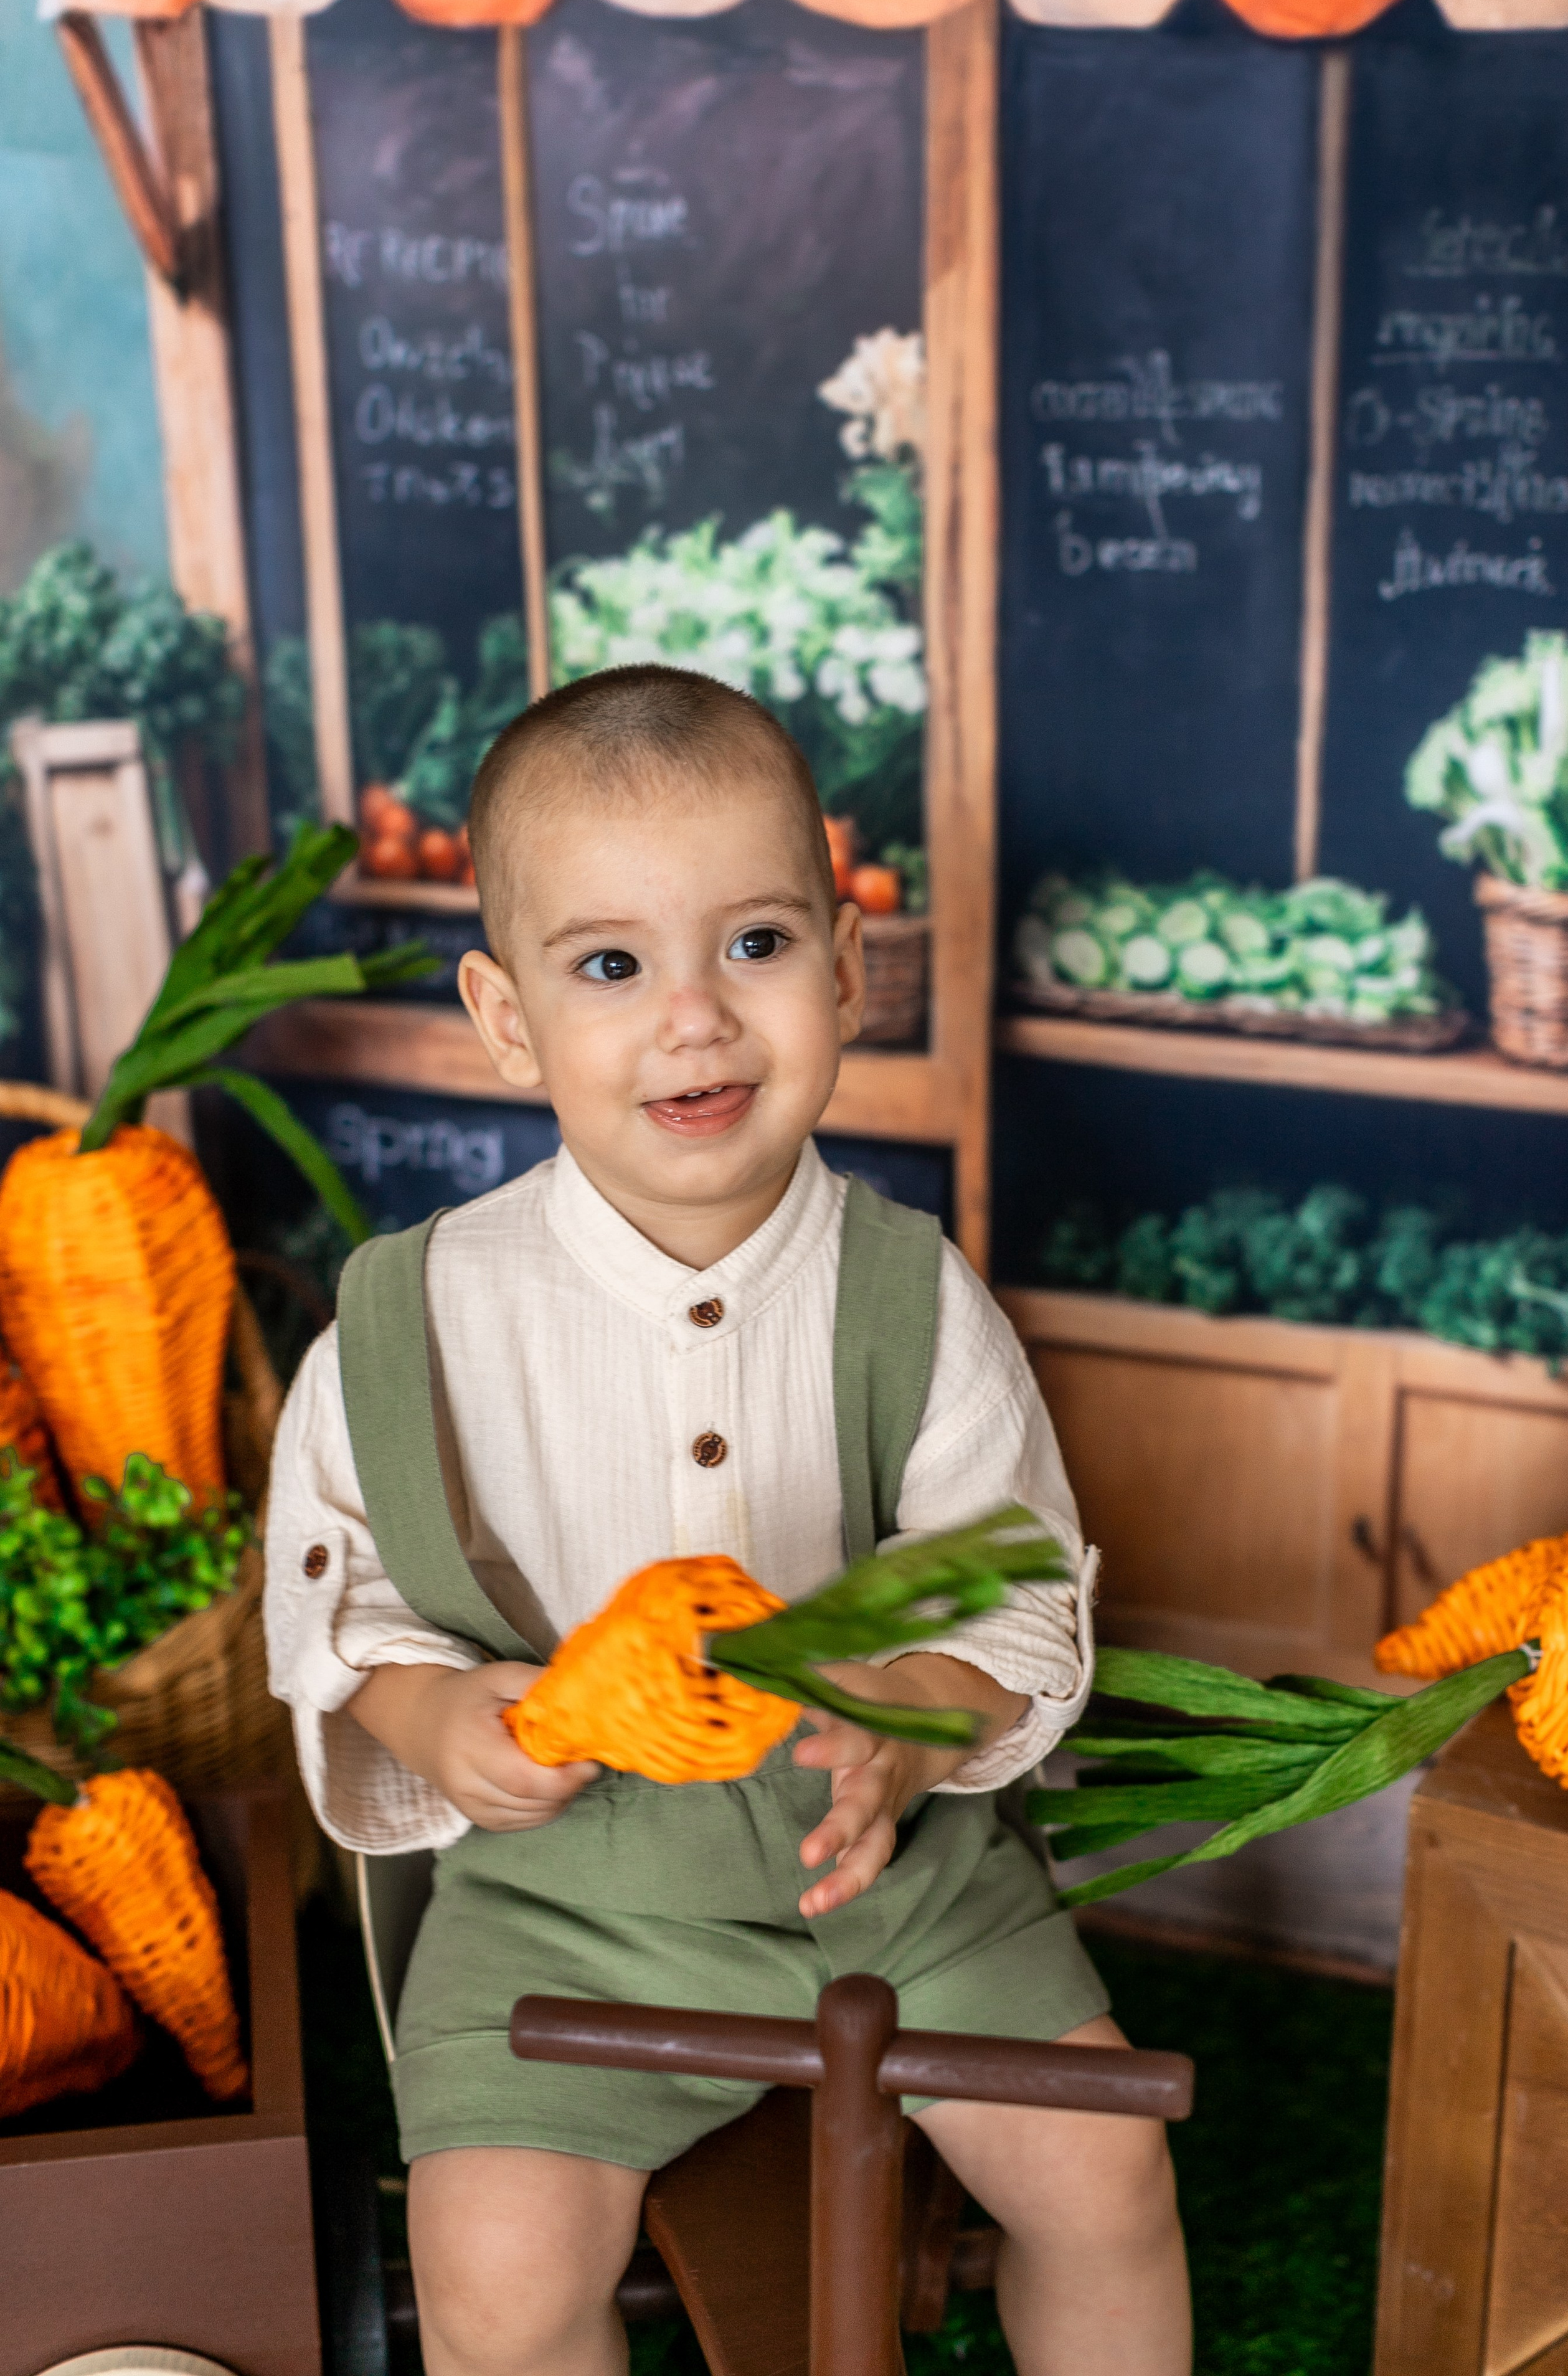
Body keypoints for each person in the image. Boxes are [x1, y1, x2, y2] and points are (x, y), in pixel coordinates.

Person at [265, 665, 1190, 2376]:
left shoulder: (914, 1297)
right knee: (492, 2273)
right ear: (506, 1018)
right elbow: (345, 1603)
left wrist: (915, 1717)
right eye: (611, 966)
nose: (695, 1019)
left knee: (1110, 2176)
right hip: (566, 1894)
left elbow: (1014, 1577)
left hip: (894, 1878)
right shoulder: (415, 1320)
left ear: (847, 964)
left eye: (756, 946)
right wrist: (447, 1715)